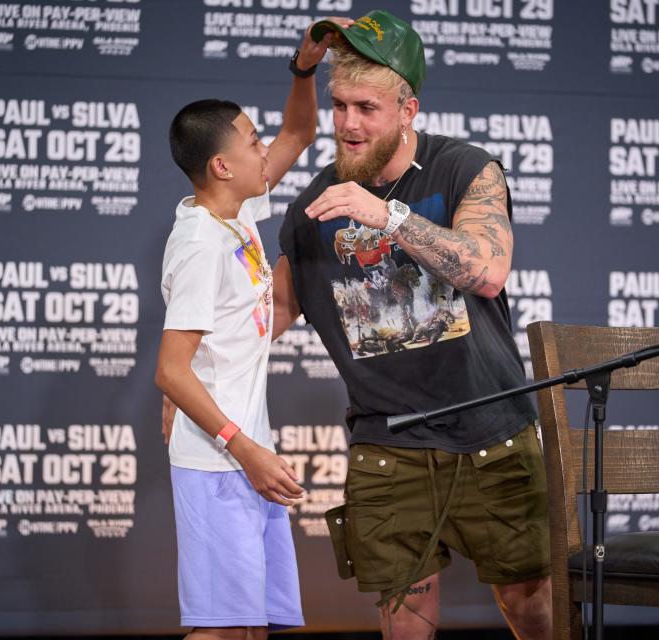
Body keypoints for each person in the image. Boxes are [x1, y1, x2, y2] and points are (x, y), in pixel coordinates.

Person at [273, 10, 553, 639]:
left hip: (493, 433)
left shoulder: (464, 169)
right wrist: (188, 374)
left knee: (530, 604)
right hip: (388, 445)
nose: (348, 124)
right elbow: (272, 315)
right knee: (404, 619)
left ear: (408, 109)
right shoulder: (313, 205)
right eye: (340, 105)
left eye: (367, 108)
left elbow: (488, 271)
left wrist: (389, 217)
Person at [155, 20, 349, 640]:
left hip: (242, 455)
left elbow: (300, 130)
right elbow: (171, 369)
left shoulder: (236, 213)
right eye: (251, 140)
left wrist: (305, 67)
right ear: (221, 165)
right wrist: (246, 451)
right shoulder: (199, 245)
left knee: (250, 627)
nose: (266, 148)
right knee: (220, 631)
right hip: (220, 462)